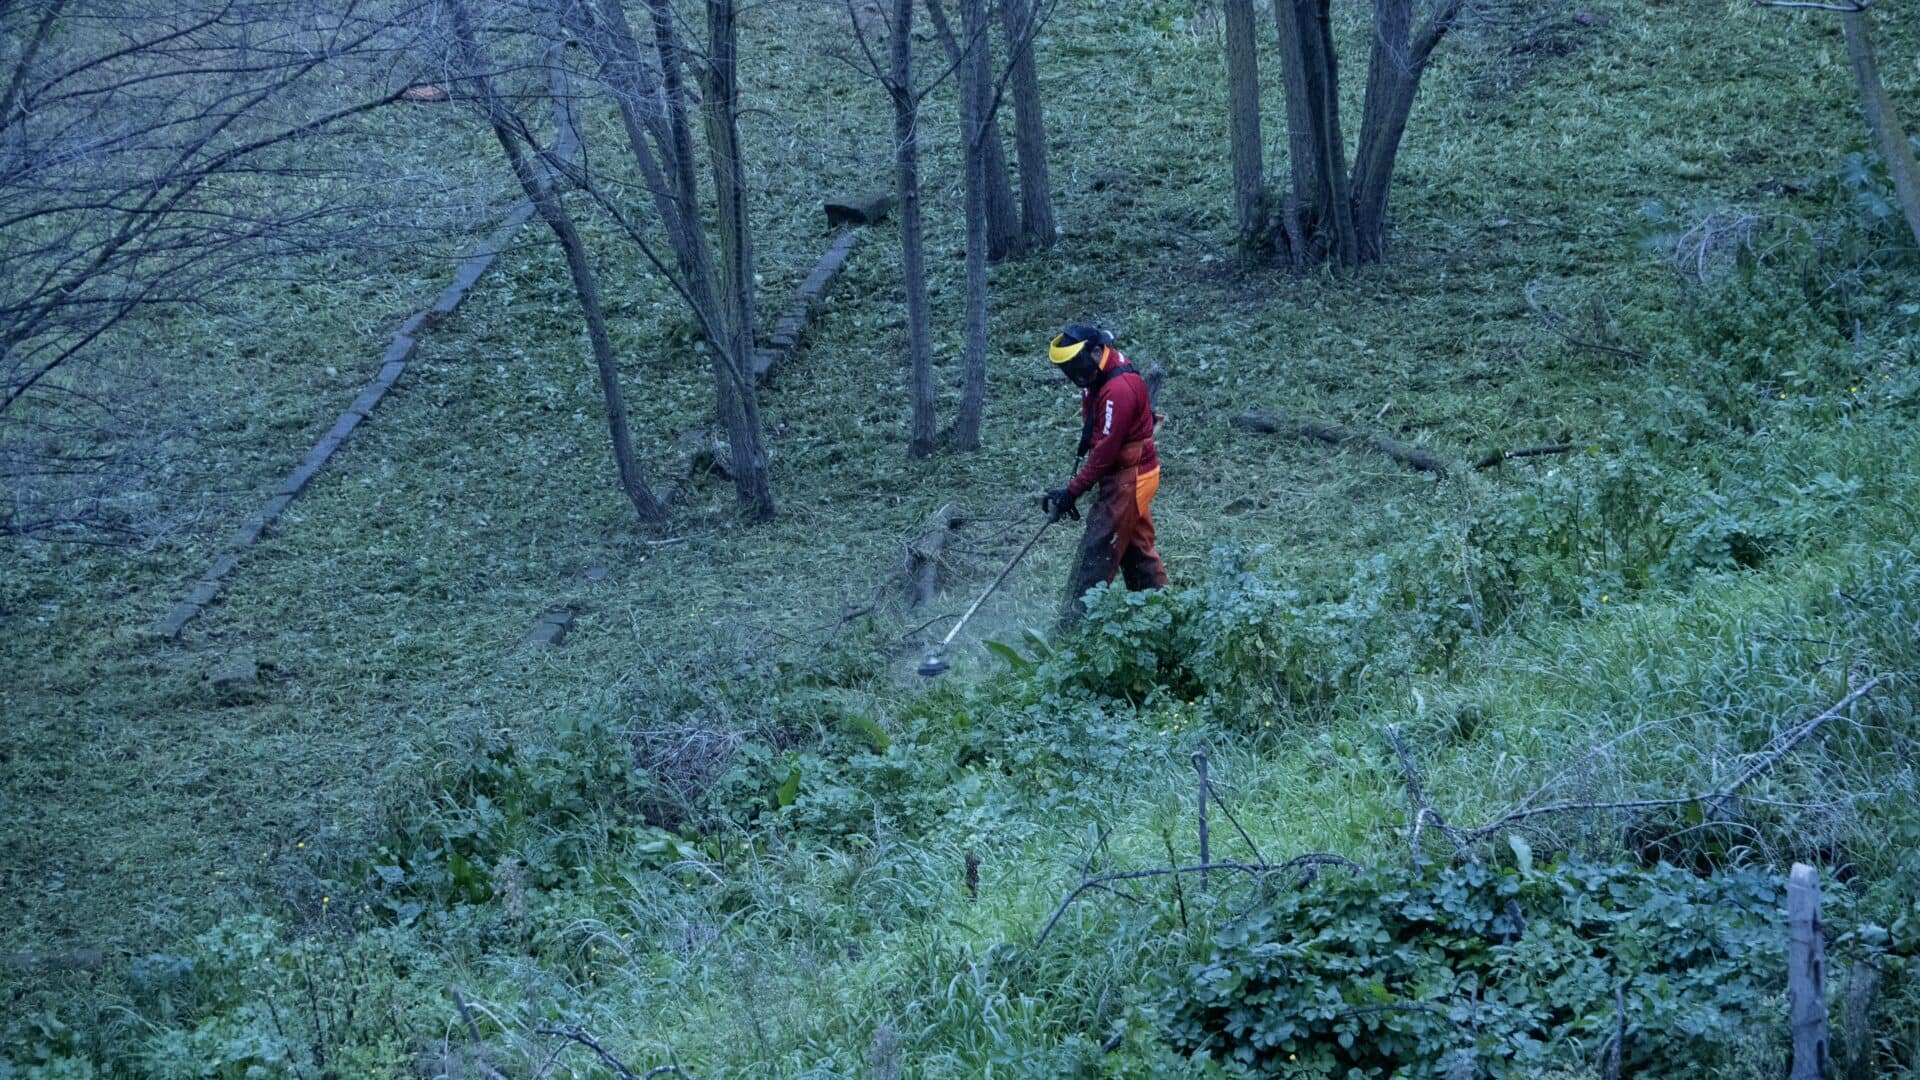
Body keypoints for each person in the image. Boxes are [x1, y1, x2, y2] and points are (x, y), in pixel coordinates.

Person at [1040, 324, 1167, 629]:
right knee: (1137, 552)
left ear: (1096, 351)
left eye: (1076, 367)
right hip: (1126, 475)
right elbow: (1096, 430)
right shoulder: (1099, 373)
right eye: (1068, 370)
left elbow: (1105, 454)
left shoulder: (1118, 389)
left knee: (1096, 551)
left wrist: (1071, 492)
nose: (1074, 376)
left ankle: (1072, 631)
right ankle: (1162, 612)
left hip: (1130, 479)